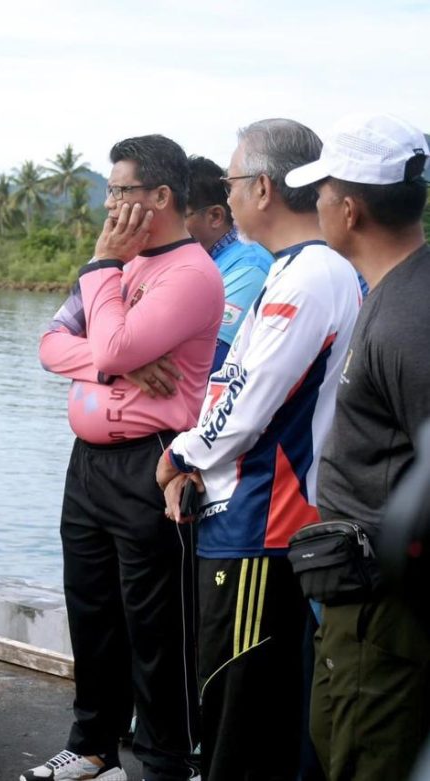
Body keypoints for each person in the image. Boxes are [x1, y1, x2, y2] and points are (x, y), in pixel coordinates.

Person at [156, 118, 361, 781]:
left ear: (264, 187)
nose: (228, 195)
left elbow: (249, 400)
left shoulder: (311, 276)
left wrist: (183, 455)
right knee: (239, 711)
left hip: (262, 523)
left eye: (233, 181)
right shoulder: (295, 269)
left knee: (240, 717)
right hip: (245, 518)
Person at [30, 134, 223, 781]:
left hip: (153, 462)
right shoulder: (119, 269)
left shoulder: (189, 274)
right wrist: (122, 362)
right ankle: (93, 747)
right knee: (91, 610)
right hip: (88, 465)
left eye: (120, 191)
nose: (110, 204)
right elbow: (53, 343)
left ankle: (169, 762)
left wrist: (100, 279)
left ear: (160, 197)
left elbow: (108, 348)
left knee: (155, 626)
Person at [284, 112, 430, 781]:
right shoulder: (395, 289)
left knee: (364, 763)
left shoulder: (409, 318)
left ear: (350, 207)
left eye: (320, 192)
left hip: (383, 614)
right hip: (360, 601)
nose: (312, 205)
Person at [184, 155, 273, 371]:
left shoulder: (249, 267)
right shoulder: (196, 258)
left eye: (179, 216)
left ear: (215, 216)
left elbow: (211, 362)